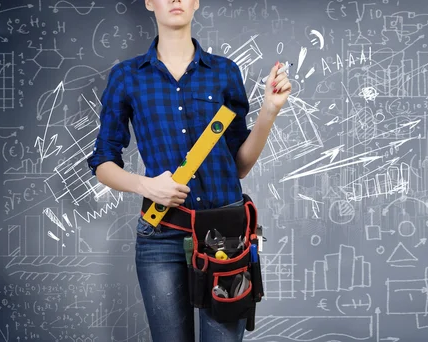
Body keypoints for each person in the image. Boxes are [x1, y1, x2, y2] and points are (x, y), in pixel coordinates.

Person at [86, 0, 291, 340]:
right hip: (161, 236)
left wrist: (269, 110)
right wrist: (145, 186)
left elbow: (239, 166)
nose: (176, 0)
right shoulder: (127, 77)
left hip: (226, 232)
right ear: (150, 3)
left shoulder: (225, 72)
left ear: (196, 2)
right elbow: (103, 162)